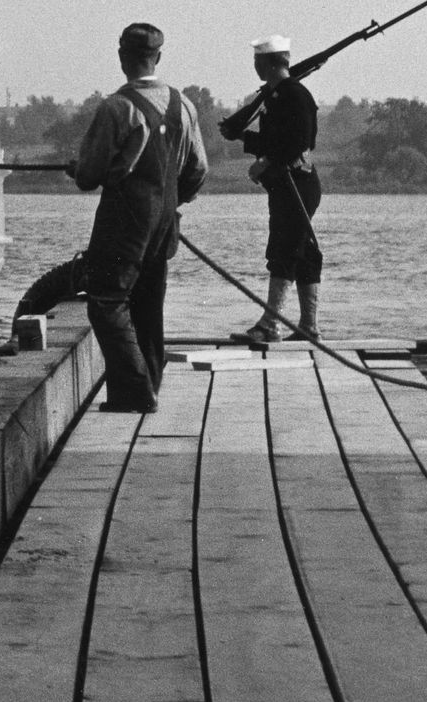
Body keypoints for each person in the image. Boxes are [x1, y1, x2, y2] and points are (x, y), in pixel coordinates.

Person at [70, 22, 207, 413]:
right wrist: (172, 199)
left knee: (106, 301)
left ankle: (134, 392)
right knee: (149, 304)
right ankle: (150, 384)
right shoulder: (184, 106)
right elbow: (198, 169)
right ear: (158, 57)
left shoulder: (116, 107)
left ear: (121, 58)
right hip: (164, 222)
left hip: (123, 221)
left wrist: (78, 169)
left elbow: (89, 175)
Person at [223, 35, 322, 347]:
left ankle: (270, 325)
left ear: (265, 63)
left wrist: (265, 161)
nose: (255, 66)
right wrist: (242, 137)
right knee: (302, 252)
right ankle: (308, 327)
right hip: (287, 183)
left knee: (284, 250)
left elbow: (300, 141)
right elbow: (275, 140)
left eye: (257, 61)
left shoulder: (294, 95)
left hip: (297, 182)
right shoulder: (276, 95)